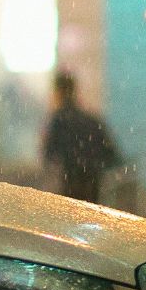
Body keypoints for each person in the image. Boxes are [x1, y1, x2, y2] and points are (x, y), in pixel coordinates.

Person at [41, 71, 118, 204]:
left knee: (70, 222)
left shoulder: (59, 120)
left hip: (69, 189)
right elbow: (112, 156)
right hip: (93, 190)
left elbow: (49, 155)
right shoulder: (92, 121)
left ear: (58, 92)